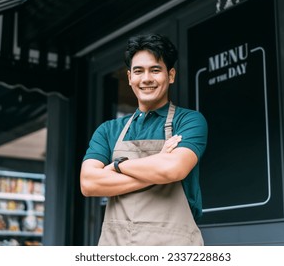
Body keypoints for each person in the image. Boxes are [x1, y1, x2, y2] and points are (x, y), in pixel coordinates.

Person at [80, 33, 208, 245]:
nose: (146, 78)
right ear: (130, 77)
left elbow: (172, 170)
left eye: (155, 70)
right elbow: (88, 183)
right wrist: (158, 164)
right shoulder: (108, 130)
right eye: (138, 71)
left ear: (171, 75)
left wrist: (116, 166)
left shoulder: (189, 121)